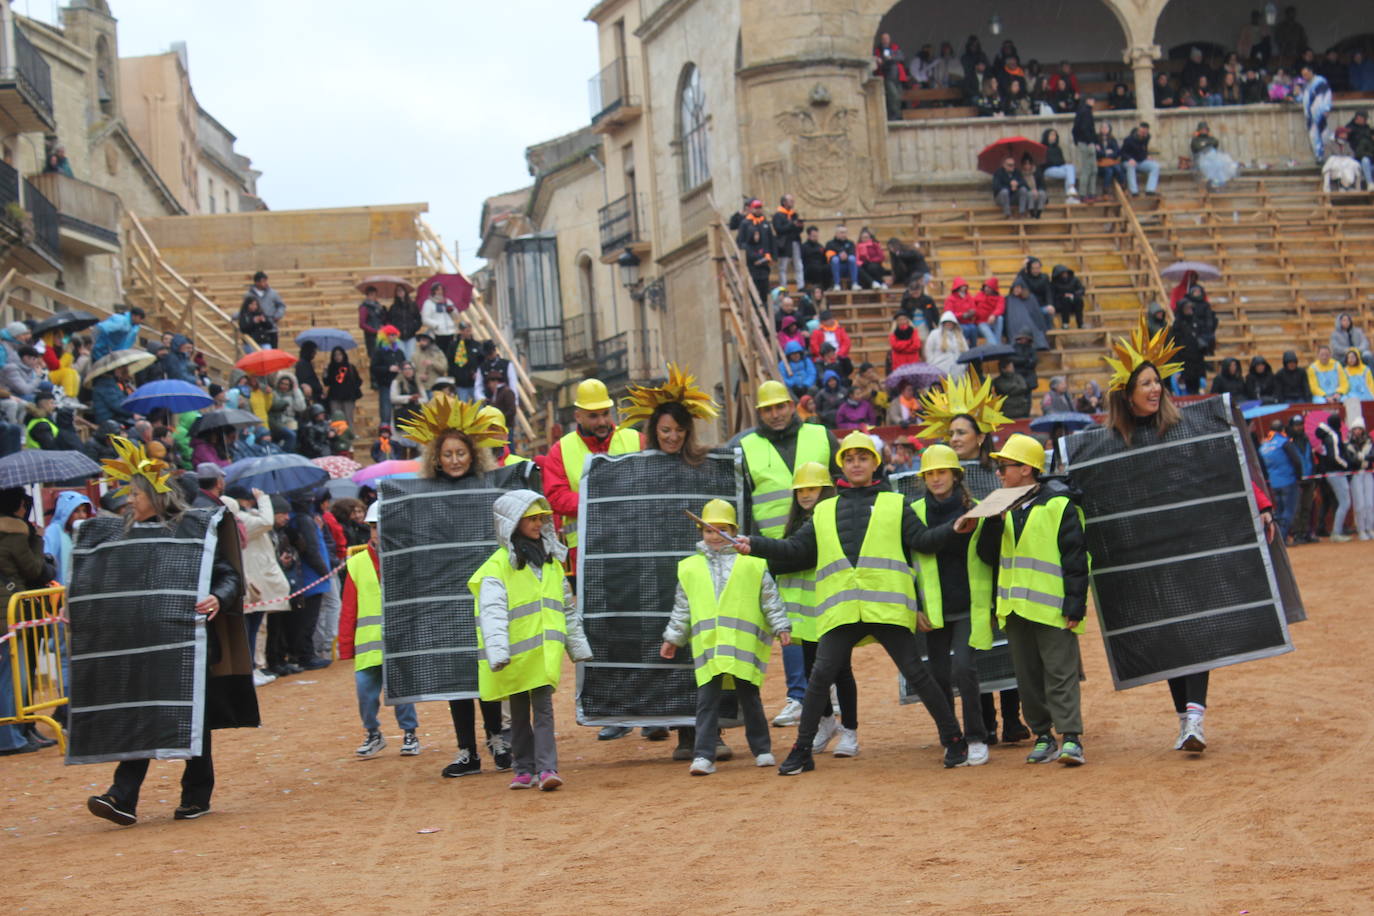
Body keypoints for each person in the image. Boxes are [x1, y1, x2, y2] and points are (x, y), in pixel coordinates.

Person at [1090, 319, 1277, 751]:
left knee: (1196, 630)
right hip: (1145, 556)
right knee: (1169, 634)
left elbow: (1227, 466)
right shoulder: (1109, 444)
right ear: (1127, 393)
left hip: (1193, 547)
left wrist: (1262, 506)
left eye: (1158, 381)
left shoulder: (1188, 426)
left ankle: (1194, 717)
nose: (1155, 389)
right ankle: (1185, 719)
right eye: (1146, 383)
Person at [740, 432, 969, 774]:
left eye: (862, 458)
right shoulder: (825, 509)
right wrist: (753, 544)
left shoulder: (895, 503)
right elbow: (795, 550)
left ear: (874, 463)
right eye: (849, 459)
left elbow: (922, 541)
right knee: (819, 678)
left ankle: (954, 739)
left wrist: (955, 527)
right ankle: (803, 750)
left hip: (886, 607)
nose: (856, 464)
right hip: (842, 609)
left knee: (917, 674)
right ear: (842, 465)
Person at [83, 440, 258, 825]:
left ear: (156, 497)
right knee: (140, 715)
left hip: (187, 643)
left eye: (135, 493)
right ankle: (122, 796)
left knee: (194, 720)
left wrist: (217, 597)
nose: (129, 500)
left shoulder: (192, 533)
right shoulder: (122, 537)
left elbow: (228, 575)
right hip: (141, 646)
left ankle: (196, 795)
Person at [394, 396, 516, 774]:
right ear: (436, 457)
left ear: (473, 454)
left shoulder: (488, 491)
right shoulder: (424, 498)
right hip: (443, 599)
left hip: (485, 596)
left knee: (484, 670)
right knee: (455, 672)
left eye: (461, 452)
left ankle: (497, 740)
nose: (455, 460)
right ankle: (467, 750)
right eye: (447, 454)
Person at [959, 434, 1088, 766]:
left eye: (1006, 467)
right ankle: (1043, 735)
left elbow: (1075, 559)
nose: (1000, 473)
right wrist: (991, 523)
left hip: (1052, 607)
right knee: (1027, 676)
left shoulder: (1060, 505)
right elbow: (988, 557)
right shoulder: (999, 506)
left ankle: (1071, 736)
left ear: (1028, 469)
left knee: (1060, 672)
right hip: (1014, 608)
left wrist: (1075, 605)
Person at [729, 380, 836, 727]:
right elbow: (742, 502)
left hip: (826, 547)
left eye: (780, 407)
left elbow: (841, 482)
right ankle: (799, 695)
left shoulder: (821, 436)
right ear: (759, 412)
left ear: (792, 406)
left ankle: (828, 693)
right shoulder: (745, 447)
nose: (775, 415)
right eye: (767, 409)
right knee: (790, 625)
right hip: (776, 551)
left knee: (829, 622)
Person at [661, 499, 789, 775]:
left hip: (741, 646)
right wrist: (673, 638)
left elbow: (770, 600)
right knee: (707, 701)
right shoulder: (690, 568)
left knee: (750, 697)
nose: (715, 536)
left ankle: (762, 749)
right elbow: (682, 608)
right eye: (709, 530)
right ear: (701, 532)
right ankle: (703, 755)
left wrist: (781, 627)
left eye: (722, 530)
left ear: (733, 530)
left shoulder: (753, 565)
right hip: (708, 647)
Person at [907, 444, 996, 766]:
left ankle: (976, 736)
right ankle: (952, 738)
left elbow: (989, 554)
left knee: (963, 669)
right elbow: (908, 561)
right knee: (939, 675)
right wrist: (914, 606)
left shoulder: (975, 509)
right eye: (929, 473)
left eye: (941, 472)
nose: (935, 479)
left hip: (970, 604)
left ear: (956, 475)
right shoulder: (913, 511)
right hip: (934, 609)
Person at [340, 500, 420, 759]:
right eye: (374, 527)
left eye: (382, 526)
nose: (378, 532)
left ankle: (410, 733)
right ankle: (373, 733)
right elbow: (349, 608)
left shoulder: (406, 559)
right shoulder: (357, 563)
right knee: (365, 692)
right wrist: (345, 645)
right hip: (368, 643)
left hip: (400, 640)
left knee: (402, 692)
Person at [1259, 418, 1303, 543]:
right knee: (1289, 511)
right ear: (1282, 430)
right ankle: (1281, 539)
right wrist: (1299, 478)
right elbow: (1297, 461)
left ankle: (1275, 537)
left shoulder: (1264, 445)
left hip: (1274, 483)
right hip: (1288, 481)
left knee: (1278, 512)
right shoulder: (1284, 442)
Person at [1314, 412, 1352, 540]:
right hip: (1336, 472)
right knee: (1344, 502)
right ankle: (1336, 532)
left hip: (1332, 472)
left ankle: (1337, 531)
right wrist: (1346, 464)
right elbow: (1335, 456)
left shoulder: (1328, 436)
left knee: (1342, 502)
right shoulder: (1333, 436)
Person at [1346, 420, 1374, 540]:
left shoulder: (1369, 442)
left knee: (1370, 503)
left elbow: (1372, 456)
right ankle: (1361, 529)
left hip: (1368, 473)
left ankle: (1370, 528)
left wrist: (1362, 457)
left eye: (1360, 428)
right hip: (1356, 474)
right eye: (1355, 429)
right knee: (1360, 504)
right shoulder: (1349, 444)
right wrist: (1361, 458)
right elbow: (1351, 461)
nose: (1357, 431)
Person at [1300, 64, 1332, 161]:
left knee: (1323, 135)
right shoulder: (1306, 84)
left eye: (1306, 74)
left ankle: (1326, 156)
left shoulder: (1320, 81)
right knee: (1313, 136)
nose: (1304, 77)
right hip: (1310, 115)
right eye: (1303, 75)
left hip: (1319, 112)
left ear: (1311, 72)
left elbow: (1326, 95)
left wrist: (1326, 109)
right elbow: (1305, 98)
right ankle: (1319, 156)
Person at [772, 195, 805, 289]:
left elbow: (798, 230)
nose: (792, 202)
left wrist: (799, 226)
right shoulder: (778, 215)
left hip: (795, 242)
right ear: (784, 202)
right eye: (790, 201)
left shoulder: (794, 214)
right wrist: (791, 224)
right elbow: (779, 229)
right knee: (783, 266)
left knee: (799, 265)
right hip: (785, 244)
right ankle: (783, 287)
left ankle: (801, 286)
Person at [924, 311, 968, 380]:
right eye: (946, 322)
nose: (948, 324)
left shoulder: (960, 335)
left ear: (954, 323)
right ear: (943, 323)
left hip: (958, 370)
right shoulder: (934, 334)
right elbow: (929, 350)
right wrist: (932, 364)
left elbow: (966, 351)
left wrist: (963, 366)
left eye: (950, 322)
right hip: (940, 369)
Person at [1071, 94, 1099, 202]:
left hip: (1084, 142)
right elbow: (1085, 128)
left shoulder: (1081, 111)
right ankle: (1085, 194)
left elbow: (1075, 130)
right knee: (1088, 169)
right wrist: (1090, 141)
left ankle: (1091, 193)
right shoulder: (1085, 112)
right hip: (1087, 143)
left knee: (1092, 170)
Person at [1120, 122, 1160, 197]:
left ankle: (1150, 190)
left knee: (1155, 166)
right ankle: (1134, 191)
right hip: (1128, 162)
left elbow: (1142, 151)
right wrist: (1130, 159)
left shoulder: (1146, 137)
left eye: (1145, 131)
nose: (1144, 133)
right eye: (1142, 131)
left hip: (1140, 161)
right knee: (1130, 166)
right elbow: (1122, 153)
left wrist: (1146, 156)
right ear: (1139, 130)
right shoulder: (1129, 140)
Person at [1039, 128, 1078, 201]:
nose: (1054, 137)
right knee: (1069, 172)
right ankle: (1071, 192)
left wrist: (1061, 163)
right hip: (1048, 170)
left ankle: (1070, 194)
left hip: (1059, 168)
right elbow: (1043, 162)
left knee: (1070, 168)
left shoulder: (1057, 148)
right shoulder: (1042, 147)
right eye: (1052, 135)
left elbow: (1061, 161)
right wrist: (1054, 162)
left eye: (1055, 135)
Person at [386, 290, 423, 360]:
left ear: (405, 292)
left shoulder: (413, 305)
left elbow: (418, 319)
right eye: (398, 291)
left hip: (411, 336)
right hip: (398, 337)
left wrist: (414, 328)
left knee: (411, 357)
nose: (400, 292)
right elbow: (389, 320)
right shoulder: (394, 307)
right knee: (400, 357)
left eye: (401, 290)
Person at [971, 277, 1005, 344]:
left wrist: (994, 315)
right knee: (989, 336)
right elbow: (972, 305)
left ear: (993, 289)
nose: (986, 289)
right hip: (981, 322)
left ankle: (996, 343)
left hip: (993, 322)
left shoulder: (1000, 298)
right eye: (985, 287)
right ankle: (995, 345)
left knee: (1000, 318)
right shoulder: (979, 295)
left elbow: (1000, 308)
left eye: (989, 287)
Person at [825, 227, 859, 291]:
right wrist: (839, 256)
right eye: (841, 232)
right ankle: (836, 284)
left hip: (848, 268)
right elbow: (829, 255)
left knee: (852, 258)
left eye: (845, 232)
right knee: (835, 259)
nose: (843, 234)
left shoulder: (850, 243)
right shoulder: (830, 244)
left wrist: (847, 256)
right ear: (836, 233)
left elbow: (853, 253)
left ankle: (854, 283)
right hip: (835, 268)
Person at [1095, 123, 1125, 193]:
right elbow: (1097, 153)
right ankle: (1105, 191)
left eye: (1106, 128)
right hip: (1101, 163)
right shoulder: (1096, 139)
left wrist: (1106, 154)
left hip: (1111, 161)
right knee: (1109, 171)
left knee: (1118, 168)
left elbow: (1117, 152)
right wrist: (1106, 152)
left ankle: (1123, 186)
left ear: (1109, 129)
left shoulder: (1112, 139)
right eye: (1102, 127)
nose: (1104, 129)